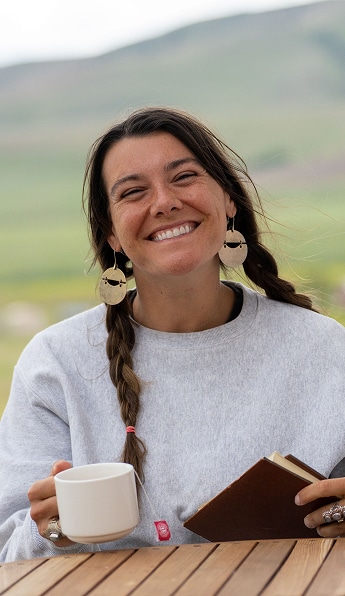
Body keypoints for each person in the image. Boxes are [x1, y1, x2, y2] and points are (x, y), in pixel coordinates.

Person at [0, 106, 344, 563]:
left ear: (229, 200)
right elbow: (9, 556)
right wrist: (54, 532)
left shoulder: (326, 349)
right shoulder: (54, 364)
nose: (163, 202)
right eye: (133, 191)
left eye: (183, 177)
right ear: (112, 236)